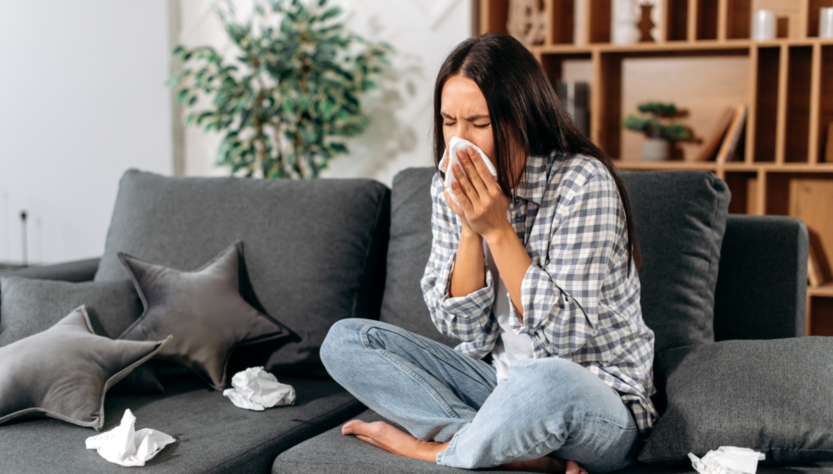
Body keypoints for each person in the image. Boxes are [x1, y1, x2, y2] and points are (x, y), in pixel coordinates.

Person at [320, 32, 657, 474]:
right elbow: (463, 329)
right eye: (448, 122)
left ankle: (437, 450)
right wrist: (469, 229)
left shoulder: (583, 183)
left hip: (595, 399)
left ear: (522, 118)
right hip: (498, 385)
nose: (461, 141)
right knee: (344, 341)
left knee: (545, 378)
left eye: (478, 124)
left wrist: (498, 230)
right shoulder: (445, 188)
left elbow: (565, 341)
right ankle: (521, 456)